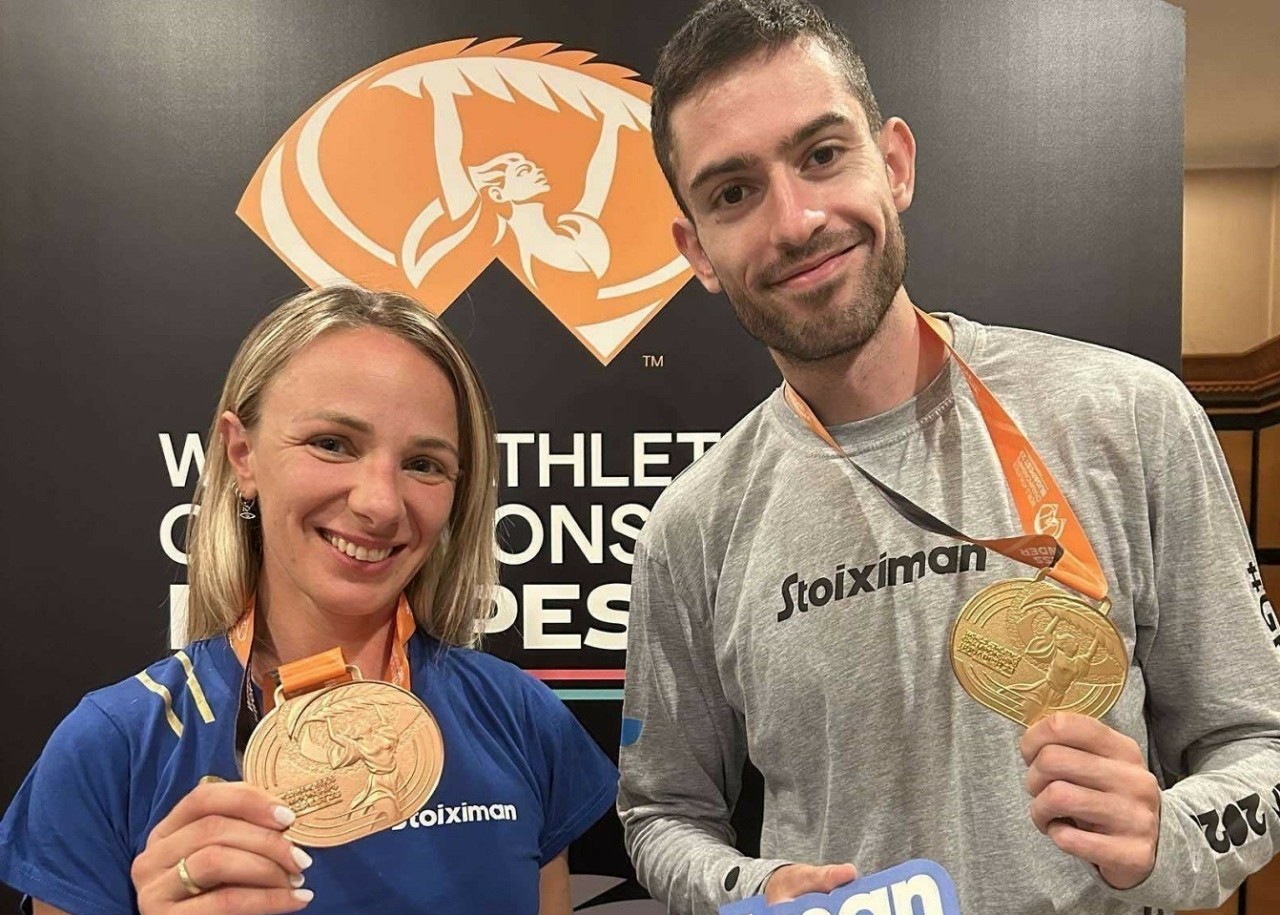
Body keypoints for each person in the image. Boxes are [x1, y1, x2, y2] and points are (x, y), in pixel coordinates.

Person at [616, 2, 1280, 914]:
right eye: (734, 193)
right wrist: (750, 889)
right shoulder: (691, 526)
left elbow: (1263, 746)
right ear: (697, 249)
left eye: (822, 155)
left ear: (893, 164)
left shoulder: (1129, 415)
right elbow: (660, 812)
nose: (796, 220)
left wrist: (1168, 835)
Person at [0, 285, 618, 915]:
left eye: (424, 464)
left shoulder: (518, 715)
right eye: (332, 443)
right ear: (242, 454)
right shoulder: (112, 747)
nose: (380, 503)